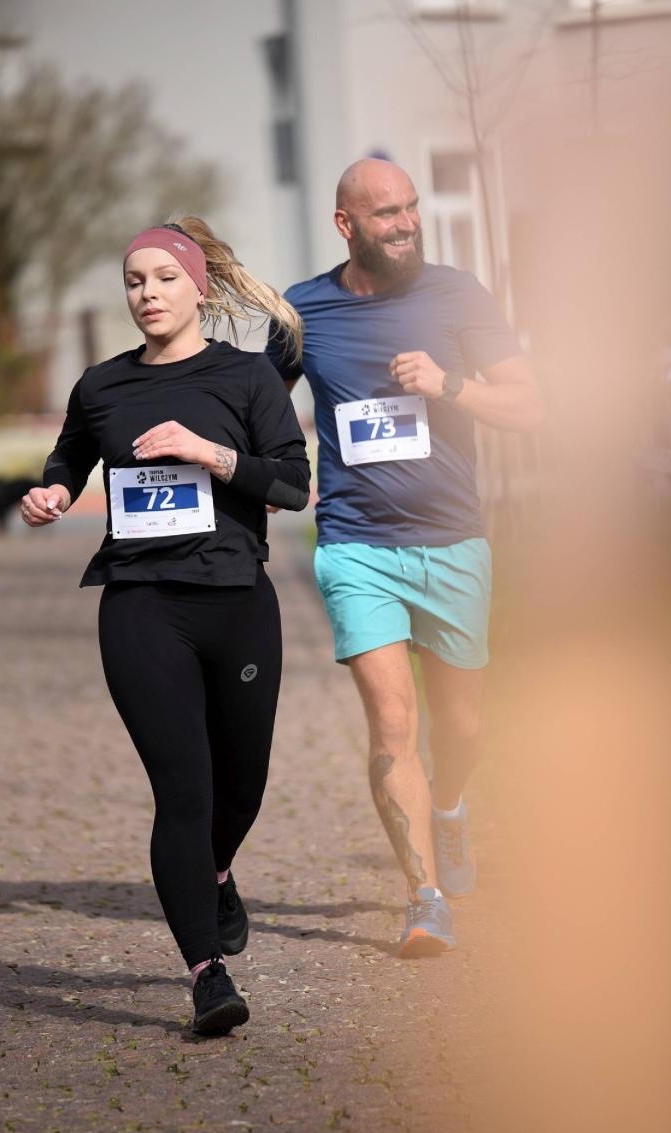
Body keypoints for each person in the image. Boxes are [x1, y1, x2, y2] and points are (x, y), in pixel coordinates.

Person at [22, 218, 310, 1032]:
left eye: (162, 278)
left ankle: (217, 873)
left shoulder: (246, 378)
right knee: (182, 789)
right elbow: (69, 460)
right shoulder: (101, 385)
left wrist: (212, 454)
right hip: (142, 604)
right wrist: (50, 495)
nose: (146, 293)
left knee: (240, 785)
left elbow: (292, 485)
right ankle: (205, 973)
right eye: (133, 281)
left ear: (198, 288)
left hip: (235, 602)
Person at [266, 158, 541, 957]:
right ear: (345, 225)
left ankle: (449, 805)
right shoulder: (303, 310)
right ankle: (424, 901)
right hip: (356, 546)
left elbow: (529, 405)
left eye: (411, 207)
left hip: (453, 542)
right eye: (385, 212)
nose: (406, 222)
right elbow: (259, 408)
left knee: (462, 726)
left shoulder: (457, 295)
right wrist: (279, 469)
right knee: (392, 723)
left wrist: (448, 385)